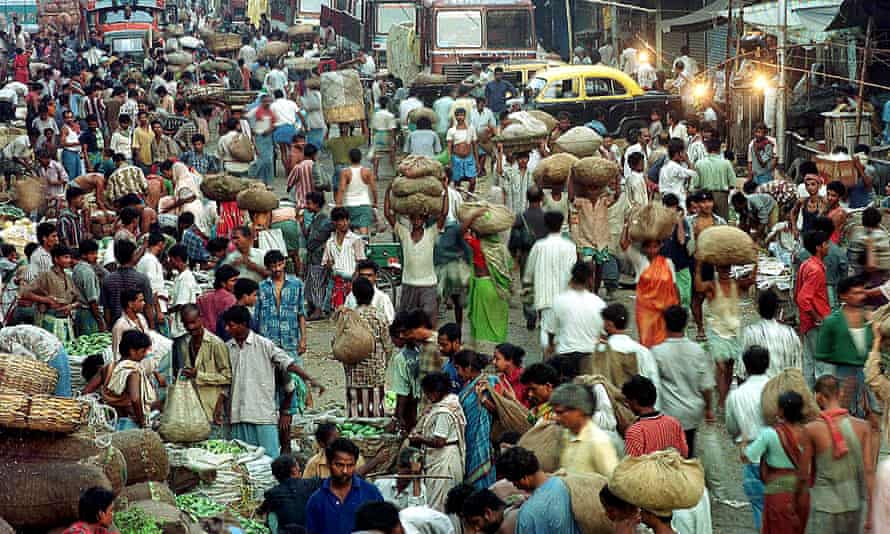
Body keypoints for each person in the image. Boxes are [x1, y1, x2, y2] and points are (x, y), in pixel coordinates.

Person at [224, 305, 320, 457]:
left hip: (262, 414)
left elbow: (288, 363)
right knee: (242, 461)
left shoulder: (264, 345)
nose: (227, 328)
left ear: (243, 324)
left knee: (270, 462)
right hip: (237, 414)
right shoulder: (228, 348)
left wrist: (309, 378)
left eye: (231, 325)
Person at [800, 375, 874, 534]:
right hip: (853, 505)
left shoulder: (811, 429)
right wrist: (870, 513)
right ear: (840, 393)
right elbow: (868, 471)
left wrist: (798, 505)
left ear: (818, 396)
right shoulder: (863, 427)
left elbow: (804, 475)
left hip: (823, 506)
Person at [651, 305, 715, 456]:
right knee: (688, 447)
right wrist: (708, 409)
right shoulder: (697, 351)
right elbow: (706, 385)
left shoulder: (657, 352)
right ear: (686, 324)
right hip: (693, 412)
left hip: (669, 411)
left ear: (665, 324)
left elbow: (653, 384)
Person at [743, 391, 809, 534]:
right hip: (802, 493)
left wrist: (744, 442)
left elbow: (748, 456)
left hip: (777, 493)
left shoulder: (769, 434)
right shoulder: (808, 432)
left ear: (781, 411)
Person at [695, 256, 757, 408]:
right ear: (717, 269)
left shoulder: (736, 284)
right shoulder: (712, 286)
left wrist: (756, 262)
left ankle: (724, 396)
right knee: (721, 366)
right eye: (722, 268)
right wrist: (698, 265)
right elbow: (698, 287)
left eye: (727, 268)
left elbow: (751, 280)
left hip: (733, 332)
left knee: (729, 367)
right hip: (716, 331)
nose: (725, 271)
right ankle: (722, 401)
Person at [725, 346, 771, 527]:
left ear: (745, 366)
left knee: (759, 507)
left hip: (751, 456)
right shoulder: (775, 387)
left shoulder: (736, 395)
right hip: (779, 458)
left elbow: (731, 427)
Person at [814, 276, 874, 417]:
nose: (860, 297)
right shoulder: (832, 322)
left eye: (862, 292)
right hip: (842, 373)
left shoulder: (869, 318)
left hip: (866, 372)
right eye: (855, 293)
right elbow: (821, 352)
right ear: (843, 296)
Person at [410, 372, 467, 511]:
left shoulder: (444, 412)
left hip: (444, 460)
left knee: (440, 502)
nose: (427, 397)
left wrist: (418, 438)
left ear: (436, 392)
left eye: (428, 393)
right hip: (442, 457)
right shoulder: (448, 404)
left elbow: (439, 441)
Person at [304, 438, 384, 534]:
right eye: (339, 465)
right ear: (329, 464)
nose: (345, 471)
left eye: (350, 465)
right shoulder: (316, 501)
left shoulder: (371, 493)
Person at [85, 330, 162, 429]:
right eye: (143, 351)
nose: (145, 355)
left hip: (111, 421)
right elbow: (135, 399)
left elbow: (86, 392)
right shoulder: (133, 371)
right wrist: (143, 423)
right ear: (132, 351)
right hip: (130, 422)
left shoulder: (107, 368)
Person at [496, 447, 580, 533]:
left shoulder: (526, 515)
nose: (514, 486)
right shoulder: (562, 484)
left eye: (513, 482)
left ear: (524, 479)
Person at [524, 211, 577, 348]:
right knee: (562, 331)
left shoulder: (539, 246)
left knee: (546, 329)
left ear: (546, 225)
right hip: (565, 296)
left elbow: (528, 273)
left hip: (545, 297)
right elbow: (574, 272)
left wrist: (528, 291)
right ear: (561, 225)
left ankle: (548, 357)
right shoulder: (570, 247)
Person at [171, 304, 231, 426]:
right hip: (194, 408)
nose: (190, 327)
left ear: (200, 318)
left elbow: (227, 377)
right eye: (186, 324)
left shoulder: (216, 343)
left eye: (193, 322)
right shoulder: (187, 343)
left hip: (213, 408)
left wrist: (198, 375)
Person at [621, 225, 679, 348]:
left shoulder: (668, 263)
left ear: (660, 246)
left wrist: (677, 307)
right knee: (646, 339)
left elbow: (673, 286)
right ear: (644, 248)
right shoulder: (640, 261)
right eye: (649, 247)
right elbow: (624, 244)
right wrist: (626, 226)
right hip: (645, 310)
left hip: (664, 309)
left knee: (663, 339)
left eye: (655, 246)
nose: (652, 250)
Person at [461, 208, 512, 343]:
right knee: (497, 323)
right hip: (499, 290)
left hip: (483, 287)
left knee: (482, 325)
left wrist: (474, 215)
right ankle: (498, 349)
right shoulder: (501, 249)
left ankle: (483, 352)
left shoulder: (477, 245)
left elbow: (461, 232)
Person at [546, 262, 605, 378]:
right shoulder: (598, 303)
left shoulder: (559, 300)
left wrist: (550, 346)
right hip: (589, 359)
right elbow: (603, 333)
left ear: (572, 277)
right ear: (590, 279)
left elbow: (551, 331)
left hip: (564, 356)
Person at [343, 278, 392, 417]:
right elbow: (388, 345)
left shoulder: (349, 317)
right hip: (375, 374)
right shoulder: (379, 316)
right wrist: (384, 363)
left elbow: (342, 345)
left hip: (354, 375)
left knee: (355, 415)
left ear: (355, 295)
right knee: (375, 414)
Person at [550, 382, 619, 477]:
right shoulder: (565, 435)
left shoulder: (598, 442)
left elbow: (611, 481)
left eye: (560, 412)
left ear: (579, 411)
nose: (555, 417)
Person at [455, 350, 498, 489]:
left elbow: (499, 411)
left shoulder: (489, 382)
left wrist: (483, 399)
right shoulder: (468, 385)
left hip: (482, 437)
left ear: (467, 368)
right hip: (468, 436)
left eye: (458, 368)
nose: (457, 373)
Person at [796, 231, 833, 388]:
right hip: (816, 323)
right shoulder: (816, 270)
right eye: (826, 243)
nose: (828, 246)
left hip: (807, 322)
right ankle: (822, 403)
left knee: (809, 362)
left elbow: (797, 293)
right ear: (819, 247)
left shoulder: (806, 264)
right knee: (822, 366)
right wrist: (817, 316)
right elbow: (803, 298)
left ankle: (810, 400)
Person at [601, 303, 661, 399]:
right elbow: (654, 383)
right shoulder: (643, 351)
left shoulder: (603, 351)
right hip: (641, 406)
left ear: (609, 324)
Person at [739, 291, 803, 379]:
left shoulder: (749, 333)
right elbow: (798, 369)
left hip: (758, 389)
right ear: (777, 309)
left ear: (758, 308)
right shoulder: (790, 333)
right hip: (784, 387)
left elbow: (742, 371)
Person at [622, 374, 689, 457]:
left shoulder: (635, 432)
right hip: (675, 469)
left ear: (634, 401)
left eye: (627, 401)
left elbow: (632, 466)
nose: (627, 405)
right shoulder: (674, 423)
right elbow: (684, 454)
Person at [259, 454, 323, 531]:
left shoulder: (272, 493)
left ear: (275, 477)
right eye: (297, 466)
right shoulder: (313, 483)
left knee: (271, 513)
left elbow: (260, 511)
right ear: (294, 470)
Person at [100, 239, 154, 329]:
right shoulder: (142, 279)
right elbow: (148, 306)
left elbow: (107, 309)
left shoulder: (107, 280)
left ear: (116, 257)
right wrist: (151, 328)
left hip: (116, 324)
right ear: (133, 255)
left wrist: (109, 329)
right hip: (137, 325)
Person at [323, 207, 367, 309]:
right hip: (337, 281)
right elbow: (326, 262)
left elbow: (360, 261)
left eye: (346, 220)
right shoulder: (330, 242)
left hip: (352, 279)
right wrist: (332, 268)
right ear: (334, 222)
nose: (345, 223)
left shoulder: (355, 239)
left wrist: (354, 280)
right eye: (341, 220)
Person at [693, 137, 735, 220]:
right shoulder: (726, 163)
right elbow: (732, 183)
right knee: (721, 224)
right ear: (719, 149)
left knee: (705, 222)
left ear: (706, 148)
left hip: (704, 197)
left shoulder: (699, 163)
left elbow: (696, 184)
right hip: (721, 196)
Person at [72, 240, 106, 336]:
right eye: (92, 254)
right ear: (83, 255)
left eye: (96, 253)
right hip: (89, 313)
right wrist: (100, 320)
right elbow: (92, 300)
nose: (95, 256)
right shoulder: (88, 272)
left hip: (80, 312)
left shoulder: (76, 268)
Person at [197, 265, 238, 333]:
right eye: (233, 281)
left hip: (205, 333)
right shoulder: (230, 299)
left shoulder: (204, 296)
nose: (236, 283)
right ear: (223, 283)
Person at [658, 138, 697, 209]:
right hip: (678, 202)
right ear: (677, 153)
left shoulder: (665, 167)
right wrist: (687, 160)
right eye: (683, 152)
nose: (685, 153)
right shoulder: (676, 168)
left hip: (666, 202)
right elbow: (694, 173)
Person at [447, 108, 479, 192]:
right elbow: (449, 148)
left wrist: (477, 161)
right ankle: (459, 199)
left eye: (461, 115)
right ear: (455, 117)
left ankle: (469, 196)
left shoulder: (471, 129)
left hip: (469, 158)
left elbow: (475, 146)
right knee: (457, 181)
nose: (460, 117)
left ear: (465, 116)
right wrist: (449, 161)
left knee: (473, 181)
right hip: (456, 159)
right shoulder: (451, 131)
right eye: (458, 115)